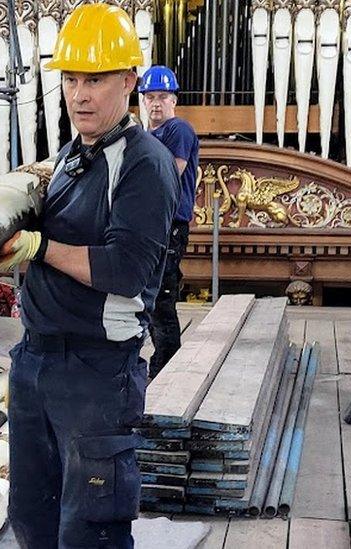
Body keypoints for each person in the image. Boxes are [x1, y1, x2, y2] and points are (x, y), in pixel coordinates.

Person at [0, 4, 178, 548]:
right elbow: (34, 211)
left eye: (95, 78)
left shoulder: (145, 164)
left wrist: (37, 248)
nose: (79, 94)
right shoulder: (70, 157)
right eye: (70, 78)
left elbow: (127, 270)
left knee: (89, 531)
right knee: (33, 519)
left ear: (129, 80)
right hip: (35, 361)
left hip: (96, 372)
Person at [139, 65, 200, 379]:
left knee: (162, 297)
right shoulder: (147, 135)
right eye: (149, 97)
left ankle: (166, 368)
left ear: (174, 99)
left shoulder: (178, 130)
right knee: (150, 294)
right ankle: (160, 363)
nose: (155, 103)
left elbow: (167, 175)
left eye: (162, 96)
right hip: (152, 224)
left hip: (171, 224)